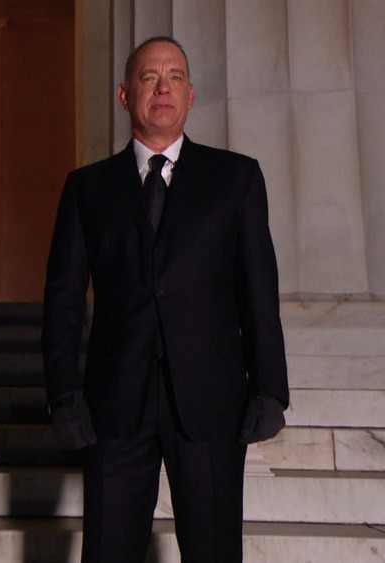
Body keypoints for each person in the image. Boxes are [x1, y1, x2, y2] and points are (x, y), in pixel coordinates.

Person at [41, 37, 289, 562]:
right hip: (113, 406)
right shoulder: (88, 189)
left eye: (175, 76)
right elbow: (62, 300)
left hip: (210, 403)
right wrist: (64, 396)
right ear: (125, 94)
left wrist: (270, 388)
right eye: (149, 76)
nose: (163, 87)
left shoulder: (236, 179)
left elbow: (258, 291)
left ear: (191, 95)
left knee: (214, 552)